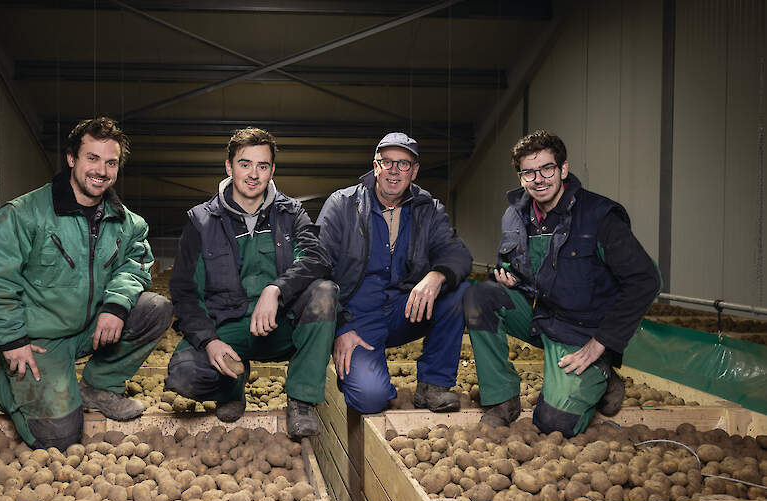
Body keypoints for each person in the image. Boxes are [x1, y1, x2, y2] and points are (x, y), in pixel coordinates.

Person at [0, 116, 172, 450]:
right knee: (58, 438)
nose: (101, 171)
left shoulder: (128, 223)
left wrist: (116, 306)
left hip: (92, 327)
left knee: (154, 308)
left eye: (111, 162)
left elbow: (135, 267)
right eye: (92, 158)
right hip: (41, 338)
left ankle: (100, 385)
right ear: (71, 158)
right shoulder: (24, 214)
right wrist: (12, 340)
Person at [464, 130, 661, 436]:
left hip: (582, 331)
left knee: (553, 423)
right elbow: (526, 267)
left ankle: (602, 372)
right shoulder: (515, 216)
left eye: (546, 169)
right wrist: (508, 275)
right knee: (479, 297)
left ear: (563, 169)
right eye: (528, 172)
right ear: (520, 176)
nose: (538, 179)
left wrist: (601, 343)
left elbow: (645, 280)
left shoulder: (598, 216)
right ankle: (501, 401)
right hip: (542, 316)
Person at [165, 127, 337, 438]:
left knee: (324, 293)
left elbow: (318, 259)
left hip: (280, 324)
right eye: (245, 164)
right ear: (229, 167)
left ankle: (301, 401)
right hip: (227, 328)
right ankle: (231, 389)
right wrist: (210, 341)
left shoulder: (290, 212)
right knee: (184, 375)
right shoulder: (201, 221)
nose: (253, 174)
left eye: (263, 165)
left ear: (272, 170)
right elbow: (184, 291)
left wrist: (276, 290)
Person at [316, 132, 473, 414]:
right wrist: (338, 328)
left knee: (459, 291)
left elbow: (457, 254)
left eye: (403, 164)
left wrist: (436, 276)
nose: (394, 171)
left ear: (414, 171)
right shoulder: (343, 205)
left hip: (406, 310)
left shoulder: (428, 209)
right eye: (387, 162)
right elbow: (318, 268)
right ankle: (362, 377)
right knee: (370, 399)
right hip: (358, 319)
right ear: (375, 166)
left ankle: (433, 386)